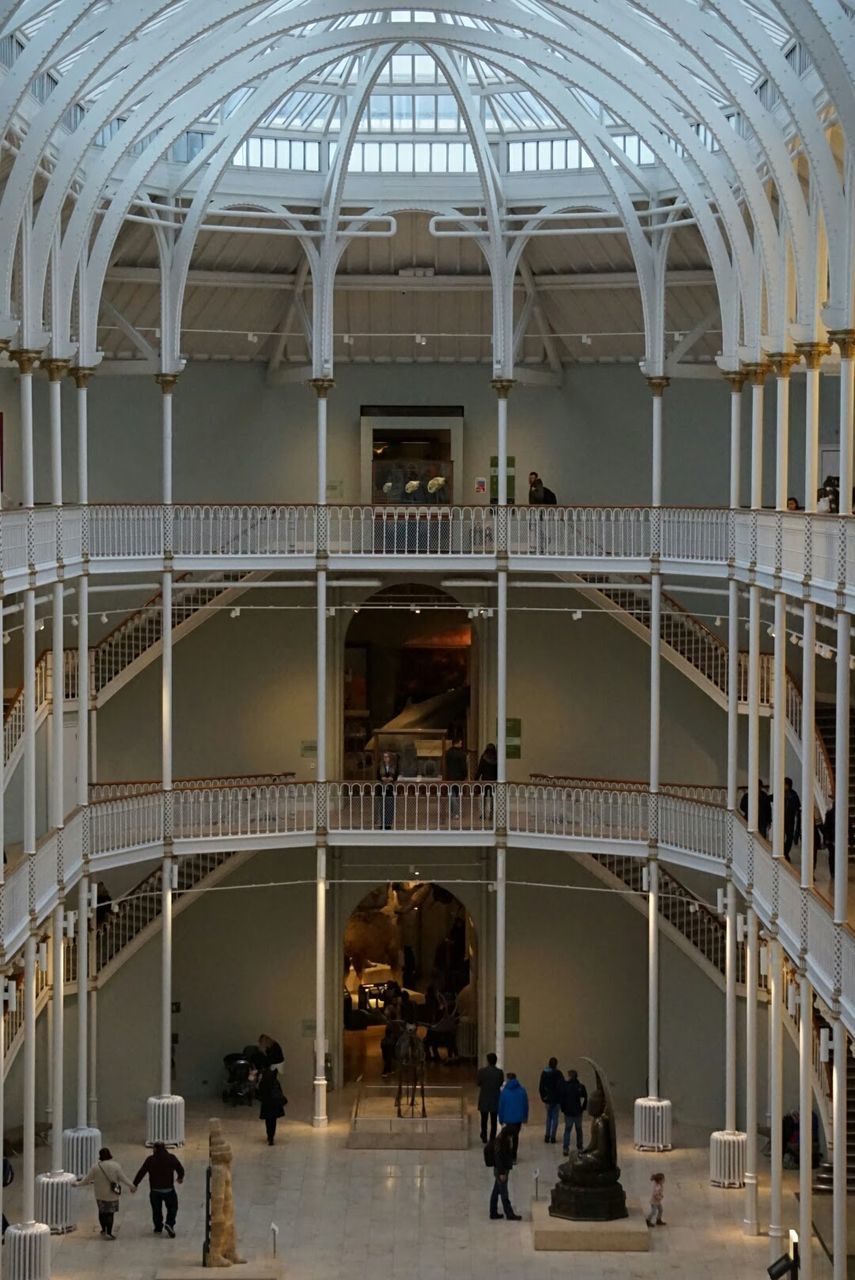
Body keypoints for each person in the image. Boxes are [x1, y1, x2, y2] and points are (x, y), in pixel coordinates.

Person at [76, 1146, 135, 1240]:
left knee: (102, 1212)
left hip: (100, 1194)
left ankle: (103, 1229)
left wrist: (77, 1184)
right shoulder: (116, 1166)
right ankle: (109, 1232)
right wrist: (132, 1186)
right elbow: (123, 1178)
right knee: (110, 1214)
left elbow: (87, 1180)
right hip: (112, 1194)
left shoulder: (95, 1167)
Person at [133, 1141, 185, 1237]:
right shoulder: (171, 1158)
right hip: (169, 1189)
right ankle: (169, 1223)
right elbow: (180, 1168)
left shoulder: (150, 1159)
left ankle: (158, 1227)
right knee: (172, 1207)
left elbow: (142, 1172)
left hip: (155, 1190)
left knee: (156, 1210)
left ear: (155, 1149)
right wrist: (180, 1177)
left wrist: (135, 1184)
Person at [489, 1125, 522, 1221]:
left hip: (502, 1170)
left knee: (496, 1191)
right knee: (504, 1193)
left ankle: (493, 1212)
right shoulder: (500, 1142)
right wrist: (502, 1173)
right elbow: (499, 1158)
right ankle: (509, 1214)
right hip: (501, 1171)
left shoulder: (503, 1140)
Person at [497, 1071, 529, 1163]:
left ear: (508, 1079)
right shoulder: (522, 1091)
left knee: (506, 1136)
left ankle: (506, 1154)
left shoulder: (505, 1092)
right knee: (515, 1137)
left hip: (508, 1118)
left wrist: (501, 1118)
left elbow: (501, 1106)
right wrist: (525, 1117)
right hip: (518, 1119)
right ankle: (513, 1157)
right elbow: (525, 1105)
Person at [477, 1051, 505, 1143]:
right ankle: (492, 1137)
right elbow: (500, 1083)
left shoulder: (481, 1071)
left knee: (483, 1120)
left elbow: (478, 1083)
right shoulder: (499, 1072)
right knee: (493, 1120)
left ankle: (484, 1136)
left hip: (484, 1098)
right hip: (495, 1098)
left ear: (488, 1061)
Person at [560, 1068, 588, 1155]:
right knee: (579, 1130)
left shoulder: (565, 1086)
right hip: (578, 1112)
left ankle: (565, 1148)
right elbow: (585, 1098)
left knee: (567, 1130)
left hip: (568, 1112)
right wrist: (582, 1108)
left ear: (570, 1076)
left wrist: (563, 1109)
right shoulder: (581, 1087)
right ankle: (580, 1147)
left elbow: (562, 1099)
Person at [257, 1065, 286, 1145]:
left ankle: (269, 1136)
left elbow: (259, 1093)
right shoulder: (275, 1082)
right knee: (273, 1121)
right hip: (274, 1104)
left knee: (268, 1121)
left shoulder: (263, 1082)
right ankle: (271, 1137)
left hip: (266, 1104)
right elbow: (280, 1092)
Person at [538, 1056, 564, 1144]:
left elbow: (541, 1086)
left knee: (548, 1117)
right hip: (556, 1099)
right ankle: (553, 1137)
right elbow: (562, 1086)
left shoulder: (544, 1073)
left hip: (548, 1099)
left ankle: (547, 1135)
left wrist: (543, 1097)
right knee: (555, 1118)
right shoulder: (559, 1073)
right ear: (556, 1064)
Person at [776, 777, 801, 861]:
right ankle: (781, 852)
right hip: (780, 819)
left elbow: (798, 807)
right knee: (780, 837)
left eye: (784, 784)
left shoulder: (793, 795)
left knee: (789, 838)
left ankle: (786, 852)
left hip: (790, 820)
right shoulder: (779, 793)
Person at [445, 737, 468, 820]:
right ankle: (456, 813)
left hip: (450, 776)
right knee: (457, 795)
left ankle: (452, 812)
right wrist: (465, 776)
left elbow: (446, 764)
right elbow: (463, 767)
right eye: (460, 743)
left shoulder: (448, 753)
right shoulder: (462, 754)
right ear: (457, 743)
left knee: (451, 793)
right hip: (459, 777)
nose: (461, 744)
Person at [375, 751, 398, 830]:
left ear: (390, 758)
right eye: (384, 757)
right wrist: (382, 778)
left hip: (390, 790)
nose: (386, 758)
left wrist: (392, 779)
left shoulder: (394, 766)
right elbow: (377, 776)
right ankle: (382, 824)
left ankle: (388, 824)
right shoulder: (380, 766)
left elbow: (396, 776)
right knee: (382, 807)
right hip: (382, 789)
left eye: (387, 757)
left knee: (390, 807)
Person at [475, 743, 498, 822]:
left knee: (483, 798)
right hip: (494, 781)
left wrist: (476, 779)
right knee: (492, 798)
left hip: (485, 780)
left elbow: (480, 769)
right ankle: (491, 814)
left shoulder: (484, 757)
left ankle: (483, 814)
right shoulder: (496, 758)